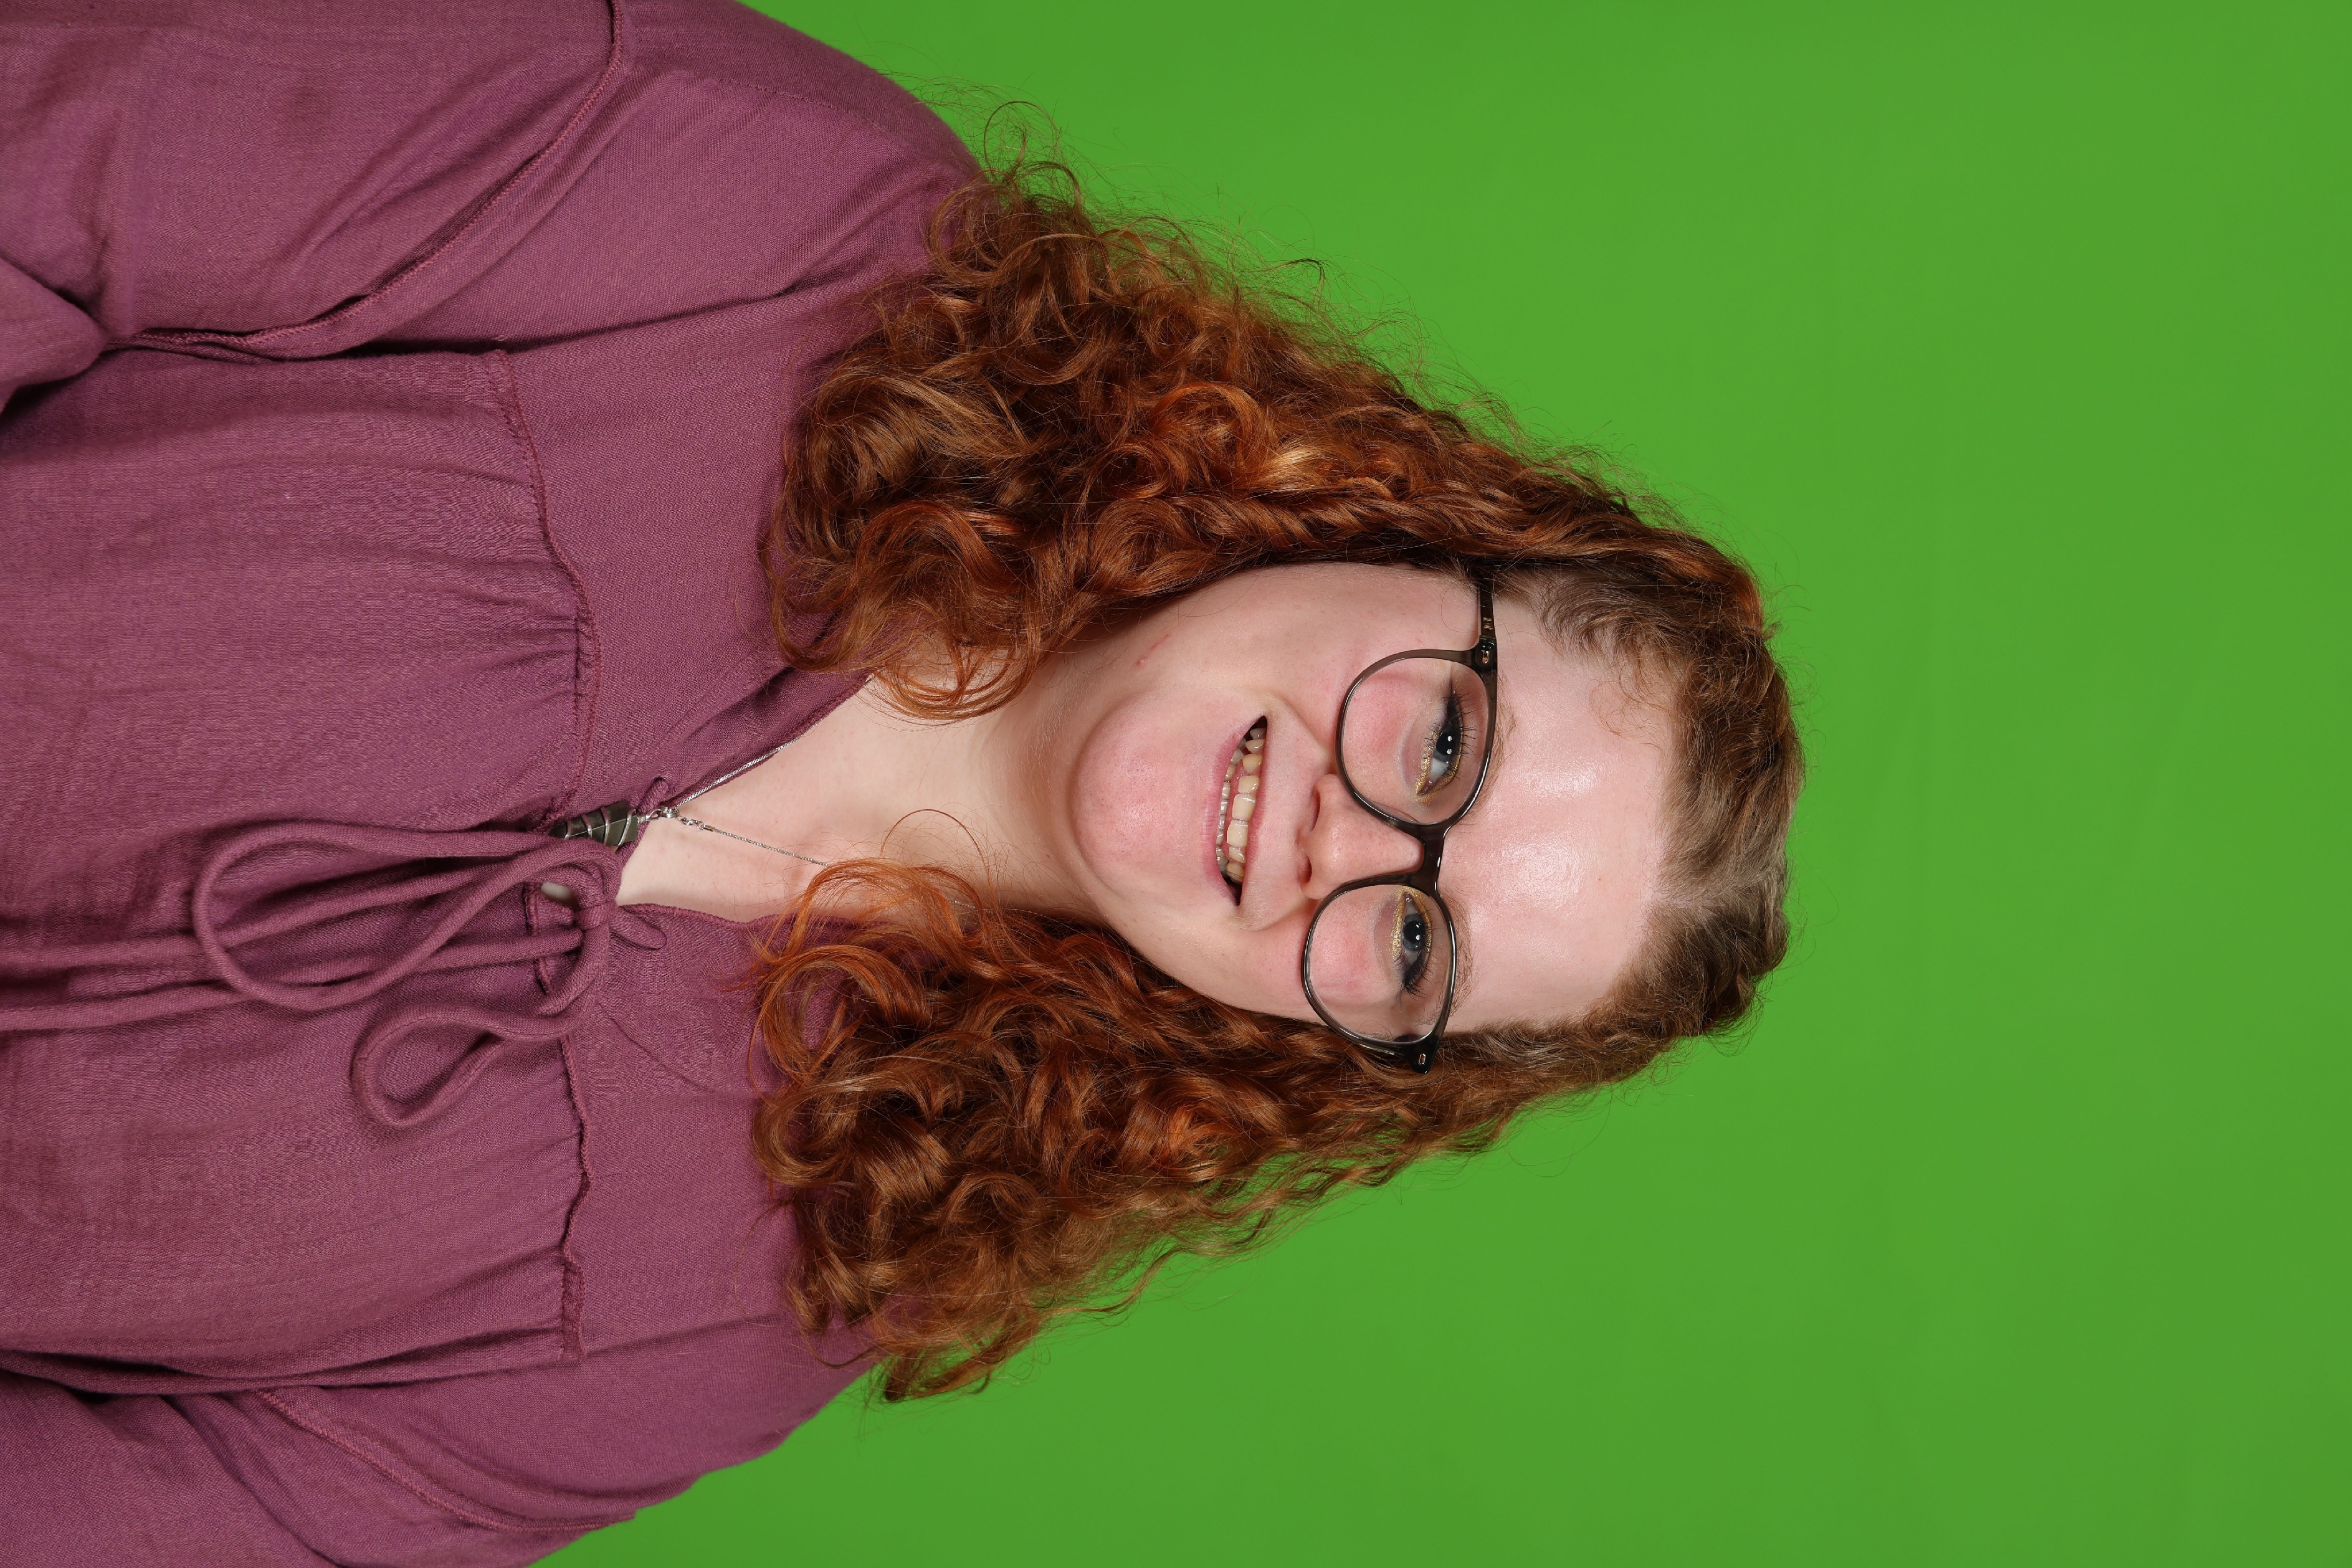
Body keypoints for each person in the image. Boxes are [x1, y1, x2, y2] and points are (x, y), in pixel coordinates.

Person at [0, 0, 1801, 1561]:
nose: (1351, 847)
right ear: (1415, 531)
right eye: (1448, 745)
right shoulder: (786, 224)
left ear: (1336, 1044)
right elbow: (60, 132)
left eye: (1415, 948)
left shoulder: (740, 1318)